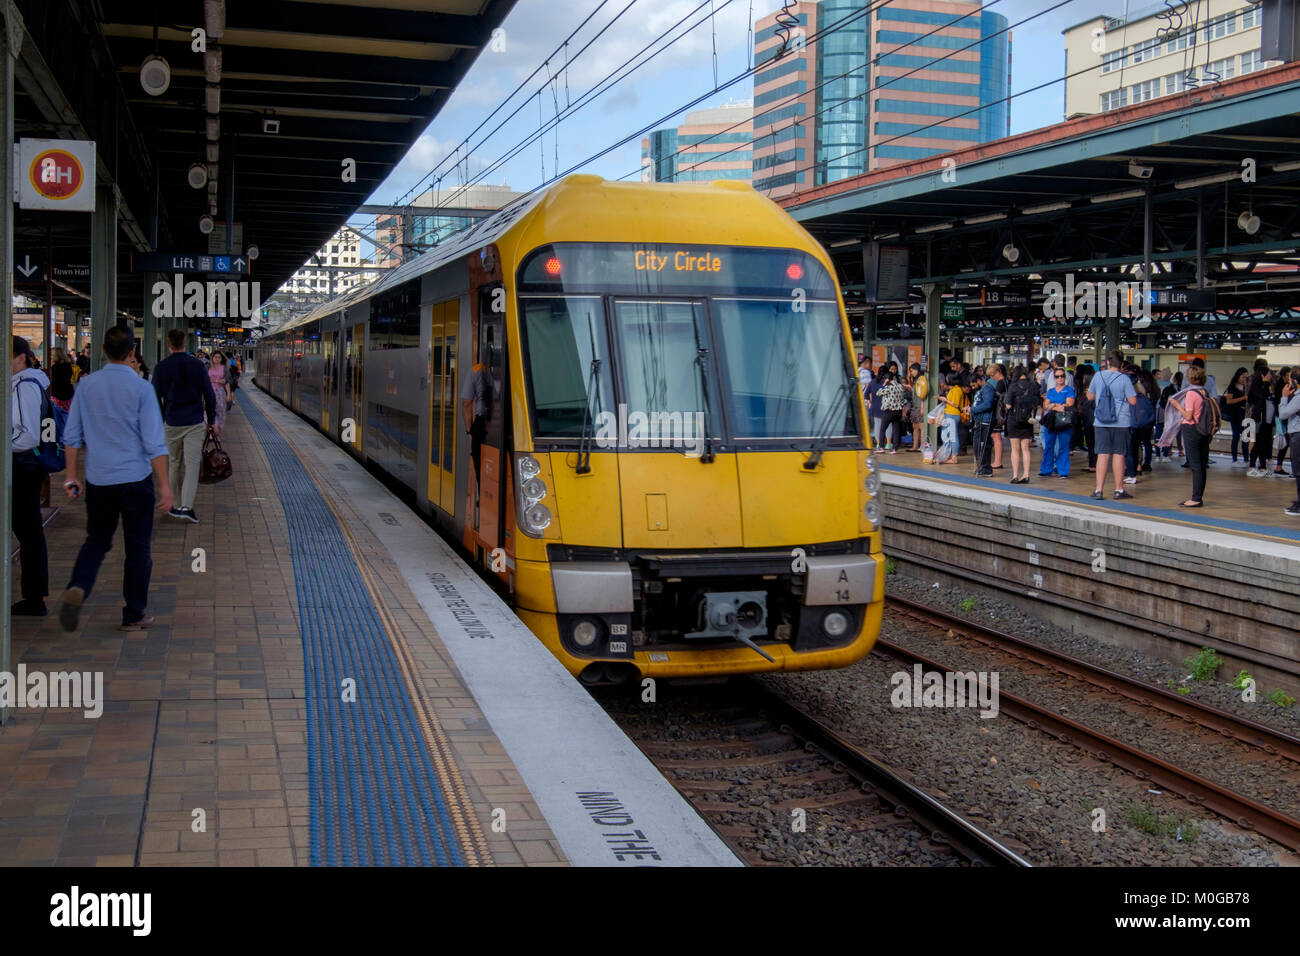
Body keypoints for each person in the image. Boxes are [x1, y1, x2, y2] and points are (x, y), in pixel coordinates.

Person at [57, 327, 173, 632]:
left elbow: (72, 437)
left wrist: (71, 476)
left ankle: (79, 586)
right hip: (136, 480)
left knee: (96, 540)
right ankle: (134, 613)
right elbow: (155, 444)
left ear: (103, 352)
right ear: (132, 352)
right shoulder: (141, 389)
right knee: (137, 548)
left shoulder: (87, 385)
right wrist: (164, 485)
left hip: (99, 480)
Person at [153, 329, 216, 524]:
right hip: (194, 422)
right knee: (192, 465)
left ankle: (174, 504)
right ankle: (187, 507)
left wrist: (163, 416)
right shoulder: (197, 365)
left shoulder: (161, 367)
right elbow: (209, 394)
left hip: (171, 421)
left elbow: (154, 395)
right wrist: (211, 420)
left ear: (169, 345)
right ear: (185, 345)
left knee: (173, 463)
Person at [10, 336, 51, 616]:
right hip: (28, 467)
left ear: (21, 357)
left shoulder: (24, 386)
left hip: (23, 466)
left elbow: (28, 435)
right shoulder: (32, 383)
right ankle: (34, 595)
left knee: (28, 531)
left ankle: (34, 597)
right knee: (30, 530)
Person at [1088, 350, 1138, 500]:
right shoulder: (1125, 379)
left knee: (1102, 455)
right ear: (1122, 364)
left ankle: (1098, 490)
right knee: (1118, 454)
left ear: (1108, 362)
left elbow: (1090, 396)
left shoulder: (1098, 376)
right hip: (1120, 422)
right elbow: (1133, 401)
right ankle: (1118, 490)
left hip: (1101, 422)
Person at [1167, 366, 1211, 507]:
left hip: (1192, 429)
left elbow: (1188, 415)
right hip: (1204, 430)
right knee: (1202, 465)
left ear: (1189, 378)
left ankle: (1195, 499)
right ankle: (1198, 496)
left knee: (1195, 465)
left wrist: (1176, 405)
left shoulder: (1191, 393)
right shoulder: (1204, 392)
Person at [1039, 366, 1076, 479]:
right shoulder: (1051, 391)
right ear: (1054, 378)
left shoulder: (1069, 390)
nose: (1060, 378)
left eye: (1062, 376)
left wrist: (1052, 405)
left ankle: (1063, 471)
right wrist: (1056, 406)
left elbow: (1069, 404)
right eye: (1057, 376)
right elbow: (1046, 405)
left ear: (1065, 377)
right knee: (1049, 444)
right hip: (1051, 420)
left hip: (1064, 420)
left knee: (1063, 446)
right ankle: (1046, 469)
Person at [1004, 365, 1037, 484]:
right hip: (1027, 420)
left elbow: (1008, 405)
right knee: (1025, 449)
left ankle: (1015, 475)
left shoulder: (1013, 386)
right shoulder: (1033, 386)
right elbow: (1037, 403)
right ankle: (1026, 474)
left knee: (1015, 449)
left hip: (1014, 420)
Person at [1245, 359, 1274, 477]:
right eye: (1268, 374)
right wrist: (1266, 384)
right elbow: (1260, 400)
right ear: (1263, 375)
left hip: (1266, 418)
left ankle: (1262, 467)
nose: (1270, 376)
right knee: (1257, 442)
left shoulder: (1265, 386)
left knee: (1264, 442)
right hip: (1259, 417)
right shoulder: (1258, 386)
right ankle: (1252, 466)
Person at [1279, 369, 1300, 516]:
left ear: (1295, 381)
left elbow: (1283, 414)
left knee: (1298, 471)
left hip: (1298, 435)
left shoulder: (1298, 397)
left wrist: (1284, 397)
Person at [970, 370, 997, 477]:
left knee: (983, 445)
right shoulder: (982, 389)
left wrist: (973, 409)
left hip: (985, 420)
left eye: (974, 385)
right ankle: (982, 466)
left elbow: (987, 404)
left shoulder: (987, 389)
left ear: (978, 380)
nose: (973, 388)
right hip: (980, 420)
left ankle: (986, 468)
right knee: (978, 445)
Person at [1222, 367, 1250, 465]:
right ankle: (1234, 458)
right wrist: (1243, 398)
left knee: (1246, 436)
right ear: (1238, 376)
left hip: (1246, 414)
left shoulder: (1247, 387)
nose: (1244, 379)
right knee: (1236, 436)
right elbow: (1229, 401)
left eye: (1246, 377)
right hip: (1235, 414)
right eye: (1243, 377)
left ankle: (1246, 458)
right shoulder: (1232, 387)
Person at [938, 372, 964, 465]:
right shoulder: (953, 389)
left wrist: (944, 400)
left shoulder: (957, 390)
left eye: (948, 377)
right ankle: (948, 454)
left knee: (953, 436)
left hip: (953, 415)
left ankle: (954, 457)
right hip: (949, 414)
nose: (946, 379)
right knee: (944, 435)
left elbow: (955, 404)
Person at [877, 371, 905, 453]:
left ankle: (881, 447)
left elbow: (878, 393)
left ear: (887, 379)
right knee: (896, 430)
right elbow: (903, 399)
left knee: (882, 429)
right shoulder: (900, 386)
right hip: (898, 411)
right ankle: (894, 448)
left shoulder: (888, 387)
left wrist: (884, 384)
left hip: (889, 411)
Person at [209, 351, 234, 433]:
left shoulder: (224, 369)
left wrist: (228, 395)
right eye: (215, 357)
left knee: (221, 412)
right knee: (209, 412)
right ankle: (212, 432)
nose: (217, 359)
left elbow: (226, 382)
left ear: (221, 359)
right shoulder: (207, 367)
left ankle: (217, 432)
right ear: (212, 358)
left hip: (220, 393)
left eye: (219, 357)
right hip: (209, 392)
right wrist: (219, 380)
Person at [49, 347, 75, 414]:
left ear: (55, 356)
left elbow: (54, 381)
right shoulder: (68, 365)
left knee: (57, 416)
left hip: (57, 395)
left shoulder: (54, 367)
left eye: (51, 355)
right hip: (68, 394)